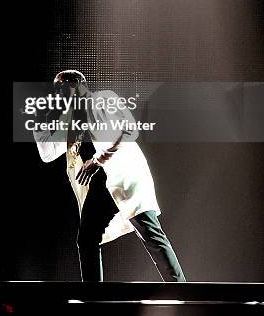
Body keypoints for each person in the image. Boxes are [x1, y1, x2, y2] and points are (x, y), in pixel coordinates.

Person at [33, 69, 186, 282]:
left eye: (60, 87)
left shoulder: (104, 98)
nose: (57, 94)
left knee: (149, 231)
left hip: (124, 174)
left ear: (75, 83)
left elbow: (129, 130)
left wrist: (97, 160)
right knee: (87, 238)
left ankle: (180, 288)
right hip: (103, 183)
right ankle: (94, 296)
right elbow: (48, 154)